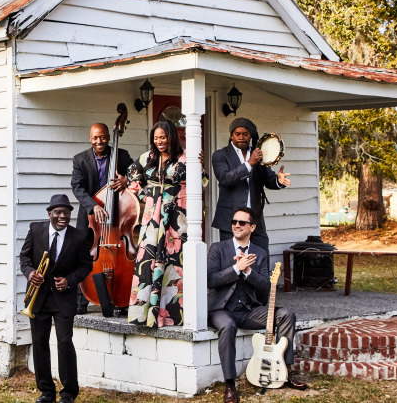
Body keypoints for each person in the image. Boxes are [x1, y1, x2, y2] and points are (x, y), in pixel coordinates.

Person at [207, 207, 308, 403]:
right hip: (222, 309)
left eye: (242, 223)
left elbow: (265, 286)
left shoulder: (260, 253)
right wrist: (236, 268)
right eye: (234, 222)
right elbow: (211, 280)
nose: (236, 225)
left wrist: (248, 272)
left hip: (248, 311)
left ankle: (285, 372)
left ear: (252, 227)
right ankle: (230, 385)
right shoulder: (218, 249)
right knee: (228, 327)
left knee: (287, 314)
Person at [20, 194, 94, 403]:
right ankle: (46, 392)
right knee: (40, 343)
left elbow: (86, 265)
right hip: (38, 298)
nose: (63, 216)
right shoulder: (36, 230)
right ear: (50, 213)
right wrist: (30, 272)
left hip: (63, 299)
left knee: (64, 342)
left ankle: (69, 393)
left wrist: (70, 280)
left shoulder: (79, 236)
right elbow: (24, 257)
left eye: (67, 213)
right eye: (59, 213)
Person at [125, 119, 190, 327]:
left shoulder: (186, 157)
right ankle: (144, 314)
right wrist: (150, 196)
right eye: (156, 138)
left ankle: (171, 315)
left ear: (171, 136)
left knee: (173, 265)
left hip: (176, 218)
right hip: (152, 220)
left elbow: (202, 182)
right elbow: (132, 181)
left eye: (163, 137)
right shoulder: (147, 157)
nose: (159, 141)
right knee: (148, 261)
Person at [70, 122, 133, 313]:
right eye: (95, 137)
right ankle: (81, 303)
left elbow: (136, 174)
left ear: (108, 136)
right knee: (82, 255)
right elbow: (77, 187)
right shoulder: (80, 159)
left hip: (117, 218)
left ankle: (121, 300)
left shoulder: (121, 155)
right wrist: (93, 205)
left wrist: (127, 180)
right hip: (90, 218)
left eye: (103, 137)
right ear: (90, 138)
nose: (99, 141)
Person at [210, 117, 290, 254]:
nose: (241, 137)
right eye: (238, 134)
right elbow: (225, 179)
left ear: (251, 136)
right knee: (231, 260)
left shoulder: (259, 154)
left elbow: (268, 178)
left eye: (245, 134)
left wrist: (278, 180)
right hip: (230, 219)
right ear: (231, 135)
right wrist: (249, 163)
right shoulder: (220, 155)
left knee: (261, 255)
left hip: (254, 218)